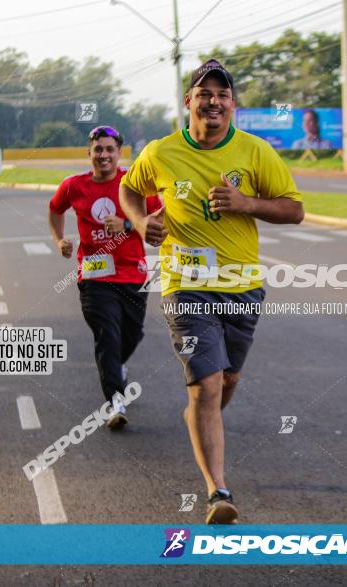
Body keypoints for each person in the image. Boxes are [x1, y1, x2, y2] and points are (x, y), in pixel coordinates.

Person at [119, 58, 304, 524]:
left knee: (226, 381)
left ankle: (202, 413)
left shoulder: (255, 152)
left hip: (242, 287)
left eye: (222, 94)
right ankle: (218, 491)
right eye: (205, 93)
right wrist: (142, 222)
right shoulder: (160, 153)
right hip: (186, 286)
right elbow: (129, 189)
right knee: (205, 385)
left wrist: (247, 204)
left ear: (232, 104)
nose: (214, 101)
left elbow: (294, 210)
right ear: (189, 103)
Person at [48, 126, 161, 429]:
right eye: (98, 149)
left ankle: (117, 368)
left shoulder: (133, 185)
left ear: (119, 153)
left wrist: (127, 223)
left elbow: (159, 214)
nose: (104, 155)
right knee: (107, 335)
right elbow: (55, 208)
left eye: (110, 149)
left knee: (132, 334)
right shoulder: (74, 186)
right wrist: (60, 240)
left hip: (132, 274)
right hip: (95, 277)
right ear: (89, 153)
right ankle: (115, 401)